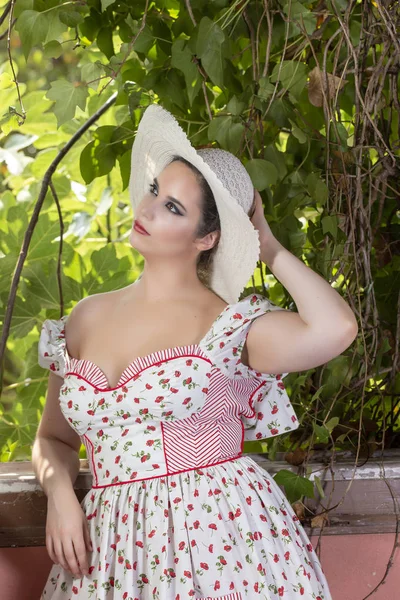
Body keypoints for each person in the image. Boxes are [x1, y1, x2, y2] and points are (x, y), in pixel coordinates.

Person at [33, 104, 357, 599]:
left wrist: (264, 241)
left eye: (173, 208)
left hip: (216, 543)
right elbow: (53, 439)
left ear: (207, 237)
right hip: (108, 555)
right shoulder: (84, 317)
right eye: (156, 191)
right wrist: (60, 494)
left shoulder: (229, 328)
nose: (147, 209)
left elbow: (335, 328)